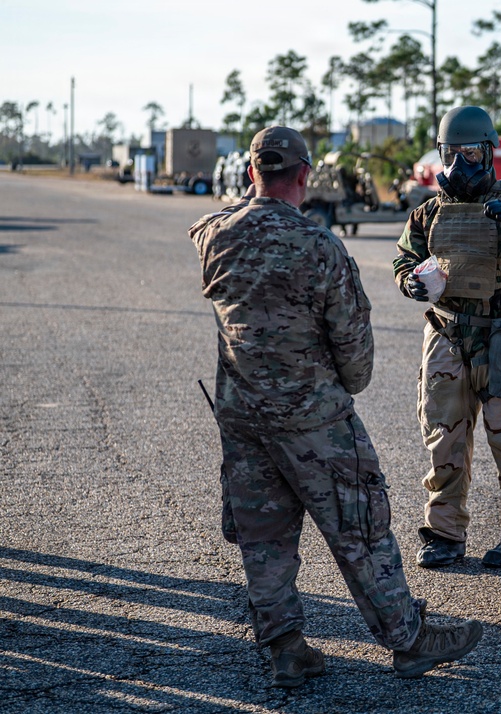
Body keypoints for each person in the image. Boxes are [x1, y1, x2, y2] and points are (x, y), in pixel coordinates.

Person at [189, 126, 482, 686]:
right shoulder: (319, 246)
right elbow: (355, 358)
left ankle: (286, 648)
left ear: (252, 173)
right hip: (313, 418)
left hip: (242, 415)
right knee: (361, 525)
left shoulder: (213, 236)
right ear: (304, 176)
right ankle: (407, 638)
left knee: (263, 534)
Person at [393, 106, 501, 569]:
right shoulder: (430, 211)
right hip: (447, 334)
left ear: (489, 153)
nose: (459, 164)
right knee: (444, 438)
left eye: (470, 153)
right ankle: (444, 533)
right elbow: (405, 258)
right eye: (450, 153)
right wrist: (410, 281)